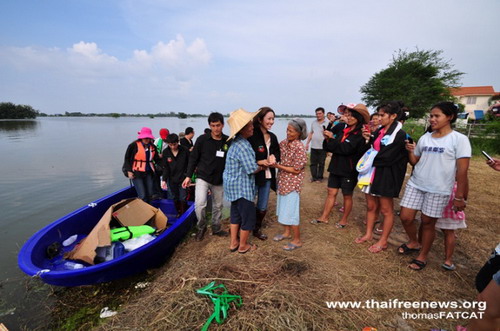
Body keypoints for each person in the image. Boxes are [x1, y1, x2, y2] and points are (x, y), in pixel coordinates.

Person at [399, 102, 471, 270]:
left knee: (427, 223)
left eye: (436, 116)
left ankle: (422, 256)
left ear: (450, 117)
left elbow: (462, 171)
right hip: (416, 184)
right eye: (431, 116)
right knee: (405, 217)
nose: (432, 119)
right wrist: (410, 150)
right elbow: (415, 162)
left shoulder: (459, 140)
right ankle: (414, 242)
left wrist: (459, 197)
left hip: (439, 189)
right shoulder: (426, 137)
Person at [355, 101, 409, 253]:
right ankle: (368, 234)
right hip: (372, 173)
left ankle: (383, 240)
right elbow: (372, 148)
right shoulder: (379, 131)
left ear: (393, 116)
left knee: (386, 210)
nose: (379, 117)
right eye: (378, 114)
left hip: (386, 175)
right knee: (371, 206)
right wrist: (368, 140)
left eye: (382, 115)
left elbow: (387, 157)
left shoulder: (399, 134)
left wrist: (369, 159)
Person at [310, 104, 370, 228]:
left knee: (347, 195)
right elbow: (329, 147)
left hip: (349, 169)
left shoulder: (360, 134)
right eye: (348, 114)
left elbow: (345, 149)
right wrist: (327, 139)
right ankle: (324, 217)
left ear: (359, 118)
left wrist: (332, 139)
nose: (349, 117)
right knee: (331, 192)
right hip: (335, 166)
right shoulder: (342, 129)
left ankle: (344, 220)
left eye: (352, 115)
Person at [223, 108, 267, 254]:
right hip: (242, 187)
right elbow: (251, 169)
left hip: (232, 187)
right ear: (242, 129)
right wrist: (263, 165)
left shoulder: (236, 143)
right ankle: (243, 245)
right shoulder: (243, 146)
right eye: (249, 125)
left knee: (235, 215)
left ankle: (233, 242)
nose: (252, 127)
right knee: (248, 217)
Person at [182, 112, 230, 241]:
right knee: (200, 203)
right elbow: (193, 158)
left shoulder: (227, 141)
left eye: (218, 125)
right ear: (209, 125)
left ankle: (216, 228)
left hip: (219, 180)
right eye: (213, 125)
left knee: (218, 206)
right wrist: (188, 176)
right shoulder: (202, 140)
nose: (216, 128)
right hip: (202, 177)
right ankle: (201, 227)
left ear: (223, 125)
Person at [271, 118, 308, 251]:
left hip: (292, 184)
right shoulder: (284, 143)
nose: (288, 133)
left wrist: (278, 165)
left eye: (291, 131)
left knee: (291, 212)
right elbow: (275, 152)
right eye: (287, 130)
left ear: (298, 133)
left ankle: (297, 240)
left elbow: (296, 169)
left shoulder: (299, 147)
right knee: (283, 208)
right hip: (282, 181)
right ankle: (286, 232)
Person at [248, 107, 281, 240]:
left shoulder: (272, 136)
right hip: (254, 175)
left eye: (273, 119)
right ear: (260, 119)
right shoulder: (251, 134)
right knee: (249, 202)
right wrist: (259, 161)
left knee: (263, 205)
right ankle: (245, 227)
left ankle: (256, 228)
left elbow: (277, 152)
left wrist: (274, 157)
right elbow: (248, 156)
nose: (271, 122)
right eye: (269, 119)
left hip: (267, 176)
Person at [123, 127, 161, 203]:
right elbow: (127, 159)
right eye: (145, 137)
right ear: (141, 137)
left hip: (149, 172)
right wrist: (128, 171)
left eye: (148, 138)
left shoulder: (152, 147)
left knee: (150, 193)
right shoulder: (133, 146)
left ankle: (150, 209)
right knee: (142, 195)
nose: (147, 139)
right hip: (137, 173)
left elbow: (157, 159)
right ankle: (144, 212)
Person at [435, 181, 467, 271]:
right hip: (451, 193)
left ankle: (421, 247)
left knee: (427, 225)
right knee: (449, 230)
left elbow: (464, 179)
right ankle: (448, 261)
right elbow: (464, 179)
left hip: (438, 190)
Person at [161, 133, 189, 218]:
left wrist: (188, 176)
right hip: (171, 178)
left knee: (183, 197)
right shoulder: (166, 152)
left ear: (178, 142)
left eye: (174, 144)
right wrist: (164, 180)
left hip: (183, 178)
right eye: (170, 145)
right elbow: (165, 167)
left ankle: (183, 214)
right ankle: (177, 212)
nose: (173, 147)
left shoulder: (184, 150)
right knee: (173, 197)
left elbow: (189, 164)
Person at [305, 107, 327, 182]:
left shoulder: (327, 123)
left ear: (323, 114)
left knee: (321, 163)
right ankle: (314, 177)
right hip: (314, 146)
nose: (318, 115)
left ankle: (320, 177)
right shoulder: (314, 123)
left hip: (323, 146)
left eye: (320, 113)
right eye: (317, 114)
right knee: (313, 163)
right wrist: (307, 143)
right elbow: (311, 133)